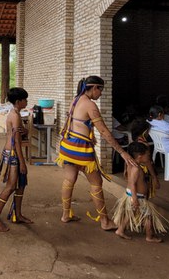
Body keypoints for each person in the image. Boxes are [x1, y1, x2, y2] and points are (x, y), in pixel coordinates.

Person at [56, 76, 135, 231]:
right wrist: (122, 152)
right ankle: (105, 221)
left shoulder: (76, 99)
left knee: (69, 179)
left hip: (67, 147)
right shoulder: (90, 105)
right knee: (96, 183)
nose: (100, 94)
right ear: (94, 88)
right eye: (101, 90)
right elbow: (104, 131)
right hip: (81, 150)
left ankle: (66, 214)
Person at [0, 88, 33, 232]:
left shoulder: (15, 114)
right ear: (19, 101)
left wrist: (24, 130)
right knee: (11, 186)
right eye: (25, 100)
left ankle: (17, 214)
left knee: (21, 184)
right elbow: (16, 141)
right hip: (13, 153)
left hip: (13, 152)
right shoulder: (15, 115)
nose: (26, 102)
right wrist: (22, 162)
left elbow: (18, 132)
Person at [113, 142, 168, 242]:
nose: (149, 157)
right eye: (148, 155)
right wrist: (135, 198)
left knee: (130, 213)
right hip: (137, 197)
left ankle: (120, 230)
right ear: (140, 156)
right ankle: (149, 237)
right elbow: (133, 183)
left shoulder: (131, 164)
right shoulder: (136, 168)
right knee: (148, 216)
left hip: (133, 195)